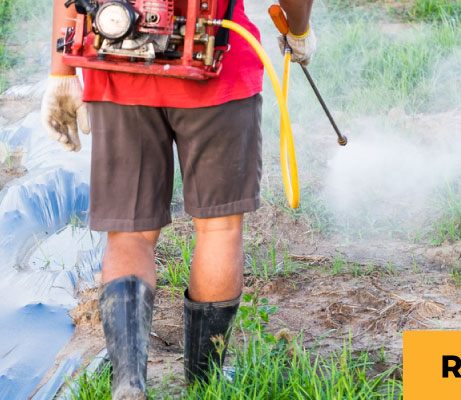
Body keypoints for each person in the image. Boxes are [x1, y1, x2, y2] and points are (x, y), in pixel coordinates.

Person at [42, 1, 315, 398]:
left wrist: (61, 71)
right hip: (215, 68)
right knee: (218, 229)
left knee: (129, 234)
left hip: (117, 63)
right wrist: (299, 28)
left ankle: (129, 384)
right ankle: (204, 384)